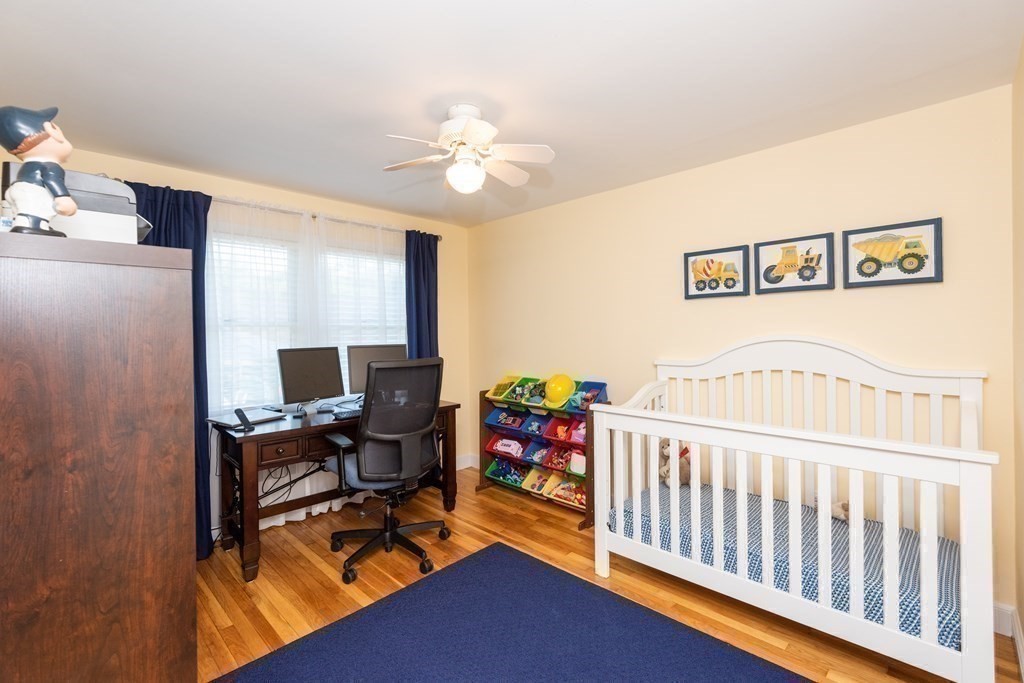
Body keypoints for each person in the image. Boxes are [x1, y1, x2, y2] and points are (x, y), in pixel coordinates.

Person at [0, 106, 77, 237]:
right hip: (33, 191)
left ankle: (30, 224)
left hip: (16, 189)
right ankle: (34, 225)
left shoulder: (29, 165)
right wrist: (64, 198)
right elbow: (52, 180)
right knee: (38, 209)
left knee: (25, 210)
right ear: (51, 133)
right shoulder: (50, 165)